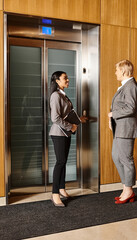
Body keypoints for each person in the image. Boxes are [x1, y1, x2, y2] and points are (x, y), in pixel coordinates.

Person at [49, 71, 86, 207]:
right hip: (58, 133)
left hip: (65, 133)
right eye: (65, 78)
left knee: (63, 162)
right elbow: (55, 118)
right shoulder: (55, 96)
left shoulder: (62, 95)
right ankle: (54, 194)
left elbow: (66, 114)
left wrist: (77, 121)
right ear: (57, 81)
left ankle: (62, 188)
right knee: (60, 162)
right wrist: (71, 126)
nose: (68, 80)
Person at [108, 60, 137, 204]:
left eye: (117, 70)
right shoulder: (125, 86)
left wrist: (112, 114)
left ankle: (129, 190)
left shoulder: (131, 86)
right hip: (119, 129)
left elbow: (131, 108)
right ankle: (126, 188)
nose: (115, 73)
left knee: (126, 160)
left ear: (123, 71)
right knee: (116, 157)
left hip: (126, 129)